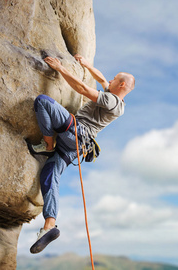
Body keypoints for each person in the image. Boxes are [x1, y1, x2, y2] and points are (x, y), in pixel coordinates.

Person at [27, 54, 135, 254]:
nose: (108, 80)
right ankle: (49, 225)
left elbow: (83, 89)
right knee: (50, 175)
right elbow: (102, 79)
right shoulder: (115, 100)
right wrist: (87, 65)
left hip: (76, 133)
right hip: (75, 147)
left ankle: (48, 144)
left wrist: (60, 68)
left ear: (120, 85)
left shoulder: (111, 101)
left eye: (114, 79)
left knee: (43, 102)